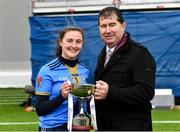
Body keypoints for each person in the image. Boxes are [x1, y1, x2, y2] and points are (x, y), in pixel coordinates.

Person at [94, 6, 156, 131]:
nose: (107, 30)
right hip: (105, 125)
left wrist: (110, 92)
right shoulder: (103, 54)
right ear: (99, 29)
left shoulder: (139, 53)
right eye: (103, 26)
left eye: (112, 24)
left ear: (123, 26)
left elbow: (146, 92)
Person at [35, 26, 90, 131]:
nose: (74, 45)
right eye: (69, 41)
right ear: (61, 42)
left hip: (81, 127)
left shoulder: (86, 70)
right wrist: (61, 96)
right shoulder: (47, 70)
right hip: (54, 128)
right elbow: (40, 110)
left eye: (78, 41)